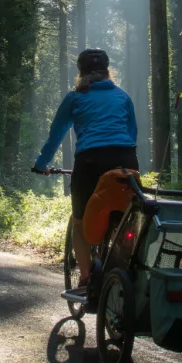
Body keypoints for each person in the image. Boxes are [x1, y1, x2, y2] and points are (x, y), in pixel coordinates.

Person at [34, 48, 138, 287]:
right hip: (126, 161)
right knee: (127, 221)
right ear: (108, 70)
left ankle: (85, 279)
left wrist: (41, 164)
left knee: (80, 223)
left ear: (80, 72)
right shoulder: (123, 96)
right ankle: (125, 275)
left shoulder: (75, 97)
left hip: (90, 162)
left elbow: (55, 135)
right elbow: (132, 135)